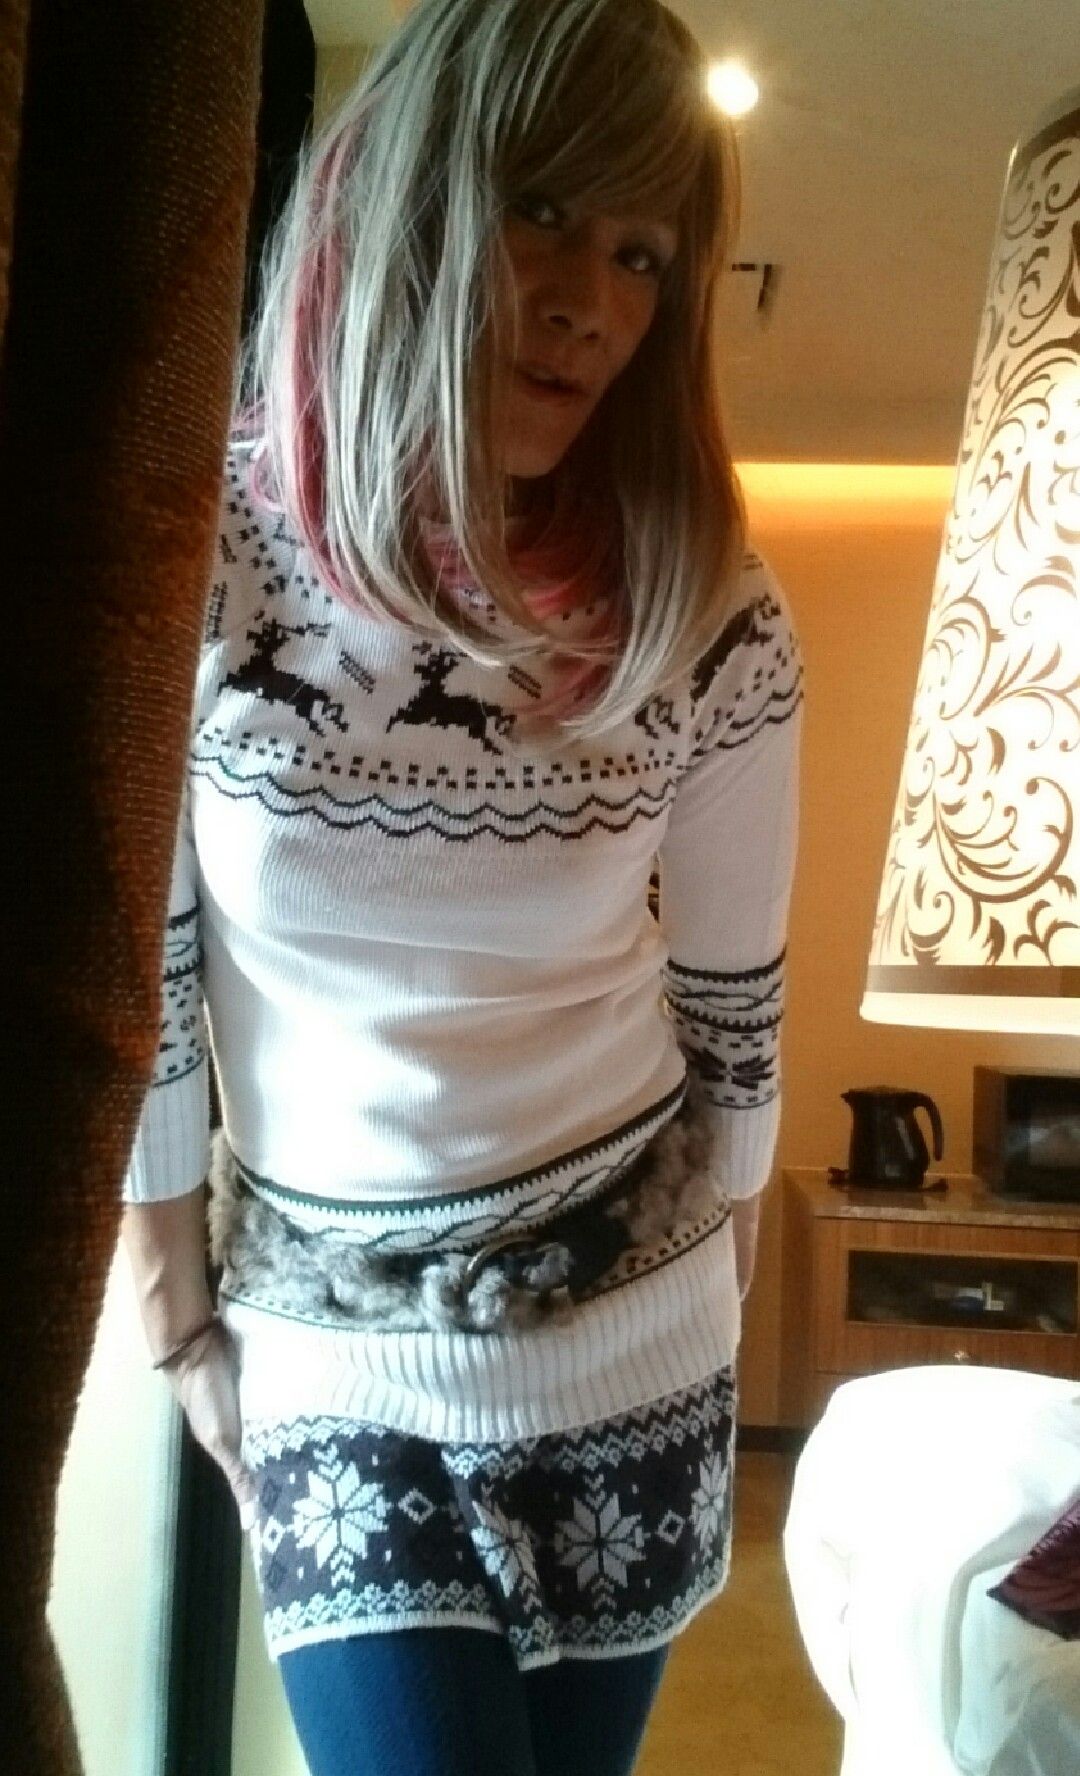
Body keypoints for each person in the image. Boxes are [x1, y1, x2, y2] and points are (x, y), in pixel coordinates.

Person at [119, 1, 804, 1771]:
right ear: (411, 200)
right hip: (327, 1342)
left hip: (636, 1328)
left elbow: (732, 1006)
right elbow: (149, 971)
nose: (589, 300)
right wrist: (175, 1306)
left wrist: (725, 1283)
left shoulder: (713, 612)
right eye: (542, 213)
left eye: (641, 252)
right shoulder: (202, 553)